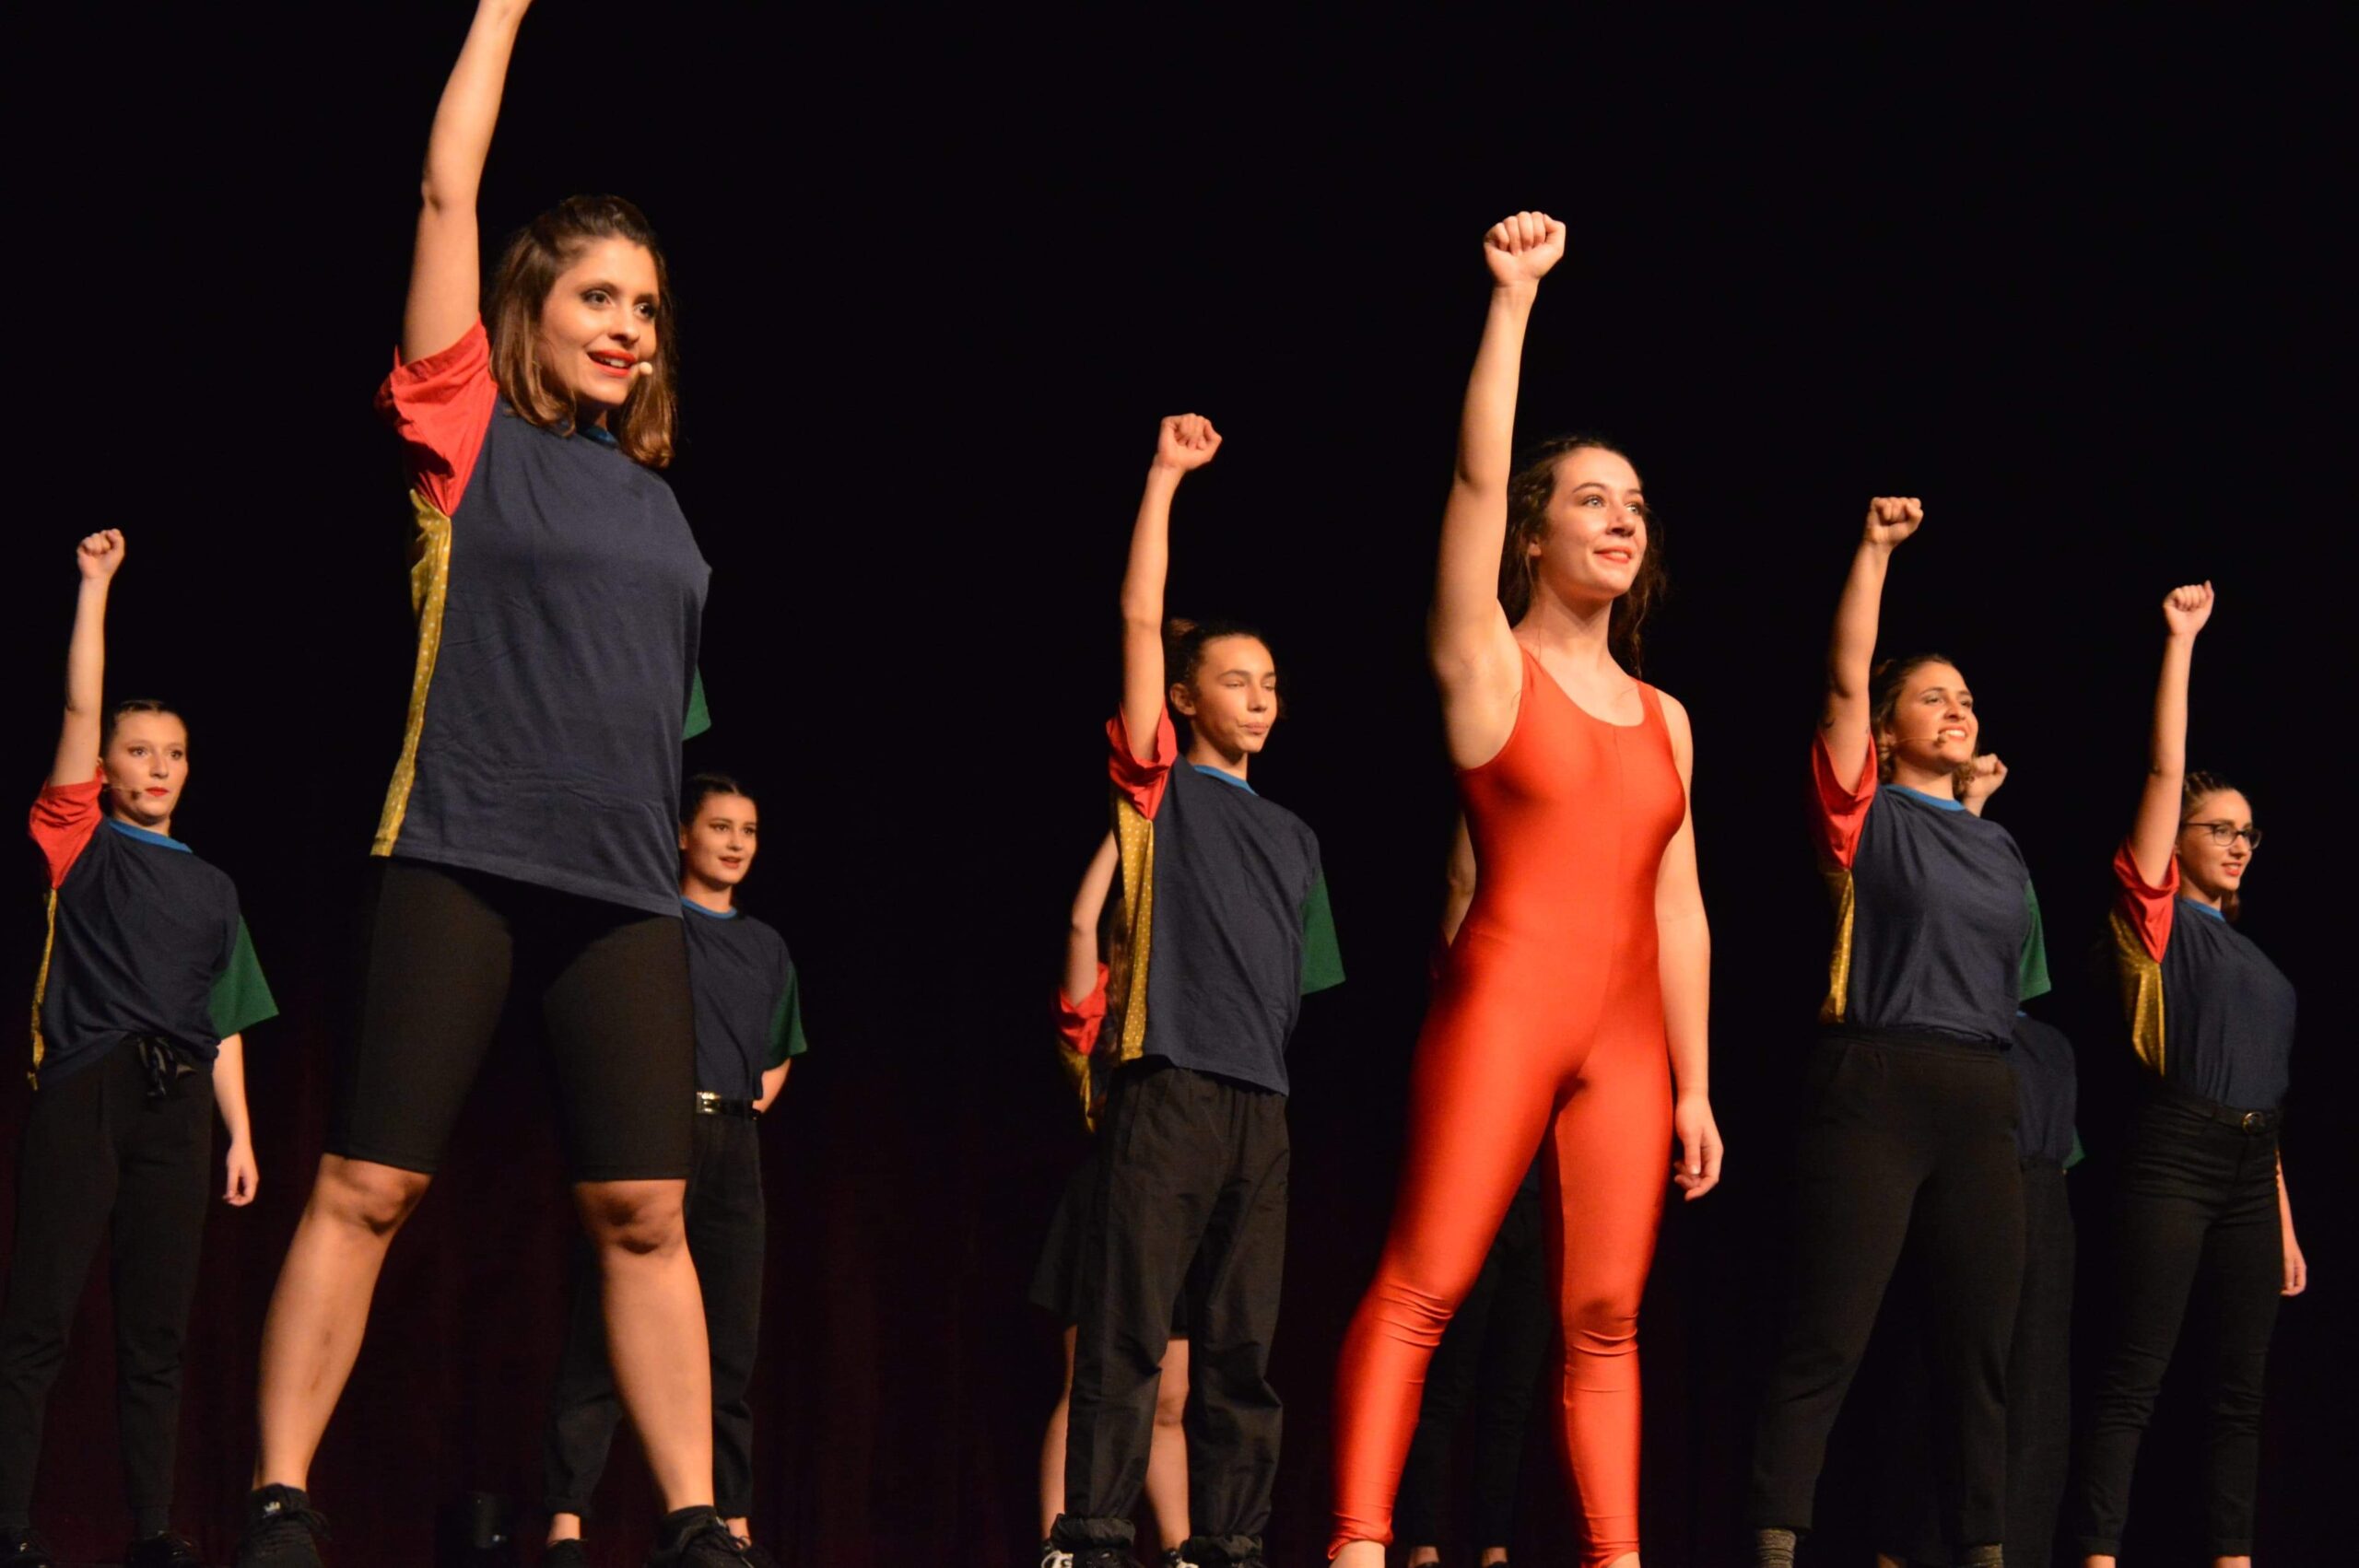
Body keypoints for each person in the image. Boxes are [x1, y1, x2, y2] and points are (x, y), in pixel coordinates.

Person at [234, 3, 737, 1563]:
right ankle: (279, 1494)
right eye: (597, 296)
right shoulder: (464, 430)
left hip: (622, 888)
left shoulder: (656, 501)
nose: (626, 326)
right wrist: (505, 13)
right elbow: (448, 188)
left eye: (644, 305)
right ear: (532, 305)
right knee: (372, 1183)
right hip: (461, 847)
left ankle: (700, 1519)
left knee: (645, 1212)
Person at [1331, 211, 1720, 1568]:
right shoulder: (1487, 666)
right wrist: (1511, 303)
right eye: (1591, 499)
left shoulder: (1669, 720)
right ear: (1535, 536)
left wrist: (1695, 1085)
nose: (1621, 519)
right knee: (1424, 1284)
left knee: (1604, 1319)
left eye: (1636, 505)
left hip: (1629, 1041)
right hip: (1505, 1004)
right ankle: (1360, 1545)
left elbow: (1679, 907)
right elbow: (1475, 475)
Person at [1049, 415, 1345, 1568]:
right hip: (1165, 1087)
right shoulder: (1158, 790)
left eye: (1269, 683)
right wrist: (1165, 478)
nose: (1258, 698)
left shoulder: (1298, 837)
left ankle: (1229, 1542)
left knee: (1239, 1348)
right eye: (1234, 680)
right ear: (1182, 698)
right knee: (1127, 1332)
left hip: (1258, 1108)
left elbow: (1298, 985)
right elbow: (1137, 616)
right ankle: (1092, 1534)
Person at [1748, 500, 2049, 1568]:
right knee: (1827, 1336)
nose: (1956, 708)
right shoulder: (1861, 811)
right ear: (1883, 731)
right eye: (1932, 696)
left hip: (1980, 1094)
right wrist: (1873, 552)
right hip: (1874, 1081)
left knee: (1978, 1352)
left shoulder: (1998, 847)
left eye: (1965, 698)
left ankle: (1980, 1548)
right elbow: (1844, 678)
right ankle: (1775, 1543)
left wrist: (1977, 807)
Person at [2, 531, 275, 1568]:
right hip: (90, 1089)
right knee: (40, 1320)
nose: (157, 767)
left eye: (174, 753)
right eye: (138, 751)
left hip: (177, 1106)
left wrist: (239, 1135)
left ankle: (151, 1531)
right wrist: (95, 588)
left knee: (156, 1333)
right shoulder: (79, 841)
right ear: (106, 770)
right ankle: (9, 1524)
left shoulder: (212, 886)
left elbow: (224, 1016)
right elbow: (81, 709)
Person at [2067, 583, 2305, 1568]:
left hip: (2252, 1171)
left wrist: (2282, 1218)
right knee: (2135, 1374)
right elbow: (2166, 766)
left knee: (2239, 1394)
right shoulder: (2159, 924)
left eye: (2248, 831)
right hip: (2174, 1152)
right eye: (2218, 828)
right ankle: (2096, 1555)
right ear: (2177, 843)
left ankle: (2230, 1558)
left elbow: (2267, 1096)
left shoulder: (2260, 964)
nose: (2238, 843)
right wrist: (2182, 642)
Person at [541, 775, 808, 1568]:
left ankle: (731, 1523)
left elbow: (780, 1047)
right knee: (605, 1331)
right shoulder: (654, 923)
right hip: (657, 1136)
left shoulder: (767, 946)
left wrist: (747, 1103)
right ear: (684, 835)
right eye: (720, 827)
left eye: (749, 830)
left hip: (733, 1143)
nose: (736, 843)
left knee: (728, 1340)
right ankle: (566, 1522)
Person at [1394, 821, 1553, 1568]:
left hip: (1539, 1204)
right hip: (1470, 1200)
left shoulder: (1561, 991)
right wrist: (1482, 792)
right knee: (1450, 1381)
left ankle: (1494, 1549)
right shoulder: (1471, 979)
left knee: (1513, 1393)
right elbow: (1461, 884)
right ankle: (1423, 1546)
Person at [1870, 1009, 2082, 1568]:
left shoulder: (2050, 1046)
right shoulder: (1940, 1027)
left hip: (2042, 1198)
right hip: (1965, 1189)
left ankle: (2014, 1550)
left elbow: (2062, 1160)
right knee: (1936, 1376)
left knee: (2033, 1389)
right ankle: (1908, 1547)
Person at [1033, 834, 1191, 1568]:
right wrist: (1129, 829)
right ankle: (1060, 1546)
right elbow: (1079, 921)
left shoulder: (1189, 1009)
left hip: (1180, 1205)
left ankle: (1183, 1550)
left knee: (1169, 1398)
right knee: (1091, 1384)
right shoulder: (1100, 1002)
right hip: (1110, 1200)